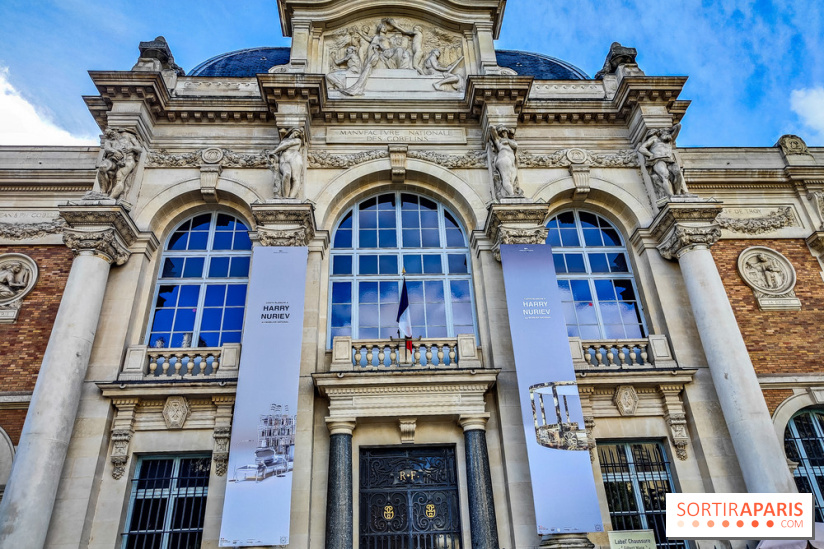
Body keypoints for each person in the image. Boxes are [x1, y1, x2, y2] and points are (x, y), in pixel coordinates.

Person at [638, 123, 688, 197]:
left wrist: (669, 129)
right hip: (658, 160)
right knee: (665, 176)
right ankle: (669, 195)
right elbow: (641, 148)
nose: (668, 134)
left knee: (678, 173)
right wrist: (650, 155)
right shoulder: (654, 139)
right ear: (660, 133)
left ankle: (678, 193)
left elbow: (678, 126)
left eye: (668, 132)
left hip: (669, 160)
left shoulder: (669, 140)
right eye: (665, 132)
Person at [271, 128, 305, 199]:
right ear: (291, 132)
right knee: (286, 174)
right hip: (284, 159)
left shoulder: (298, 140)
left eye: (298, 134)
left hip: (295, 158)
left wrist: (274, 152)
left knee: (295, 178)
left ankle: (291, 198)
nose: (296, 135)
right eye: (296, 133)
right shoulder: (284, 140)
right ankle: (285, 197)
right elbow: (285, 145)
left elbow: (286, 145)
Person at [489, 125, 520, 198]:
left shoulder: (509, 141)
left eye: (505, 132)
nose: (503, 134)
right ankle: (511, 195)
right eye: (501, 132)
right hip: (503, 158)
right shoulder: (499, 140)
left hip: (511, 160)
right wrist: (493, 129)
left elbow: (515, 145)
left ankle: (511, 192)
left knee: (512, 179)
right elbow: (494, 135)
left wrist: (508, 140)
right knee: (506, 178)